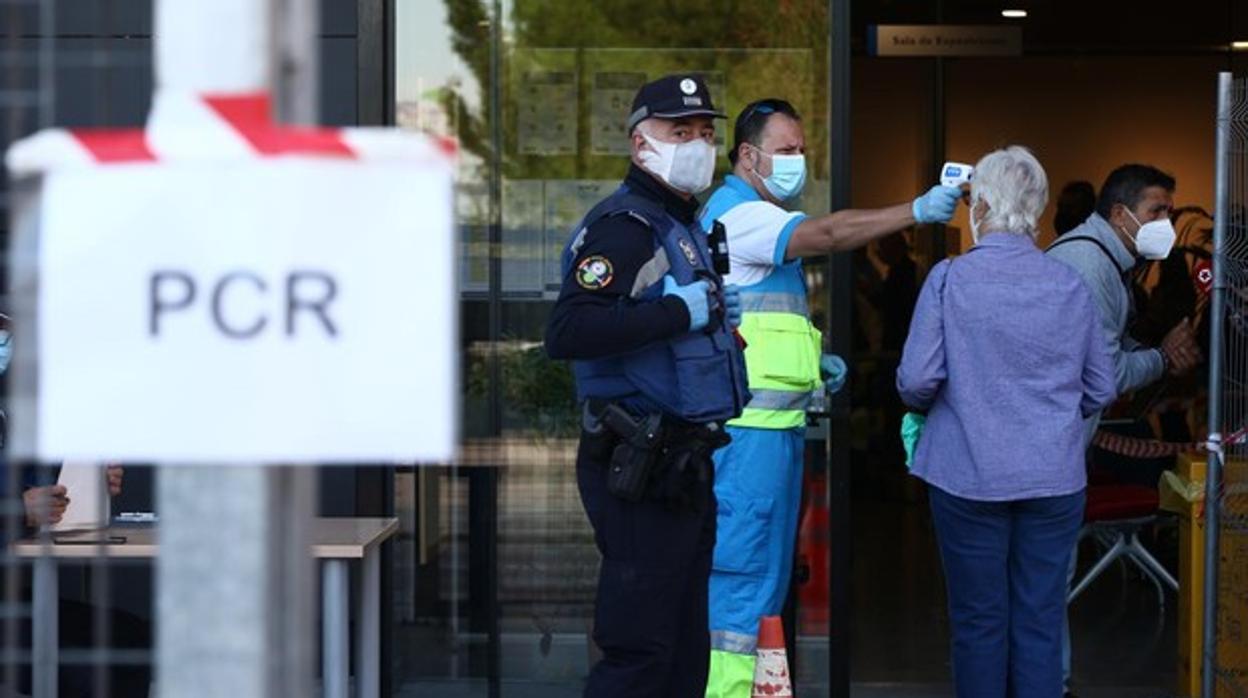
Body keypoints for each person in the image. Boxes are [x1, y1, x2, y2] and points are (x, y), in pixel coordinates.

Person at [697, 97, 960, 696]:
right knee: (740, 589)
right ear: (747, 155)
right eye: (786, 150)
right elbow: (834, 231)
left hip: (773, 436)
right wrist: (916, 210)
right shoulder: (741, 216)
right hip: (746, 440)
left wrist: (814, 366)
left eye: (801, 150)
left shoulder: (759, 219)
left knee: (763, 586)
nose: (798, 161)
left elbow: (757, 329)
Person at [545, 74, 749, 697]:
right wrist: (677, 312)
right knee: (640, 652)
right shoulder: (624, 227)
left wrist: (708, 316)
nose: (697, 144)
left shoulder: (675, 222)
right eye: (678, 132)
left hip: (680, 464)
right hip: (637, 462)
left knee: (684, 650)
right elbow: (569, 329)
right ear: (640, 145)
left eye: (706, 133)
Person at [897, 146, 1118, 698]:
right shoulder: (1070, 285)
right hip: (1053, 478)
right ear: (1039, 208)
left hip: (967, 475)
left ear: (983, 205)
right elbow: (1101, 387)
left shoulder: (950, 280)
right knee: (1040, 621)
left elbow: (916, 381)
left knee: (978, 622)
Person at [1045, 163, 1202, 696]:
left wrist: (1153, 354)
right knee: (1045, 586)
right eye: (1157, 211)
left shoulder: (1107, 264)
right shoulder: (1089, 267)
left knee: (1042, 585)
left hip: (1057, 449)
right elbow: (1105, 375)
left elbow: (1106, 348)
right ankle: (1051, 684)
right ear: (1120, 214)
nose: (1166, 222)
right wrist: (1161, 358)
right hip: (1049, 456)